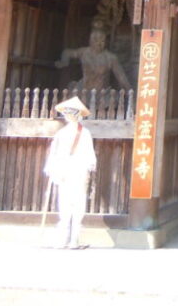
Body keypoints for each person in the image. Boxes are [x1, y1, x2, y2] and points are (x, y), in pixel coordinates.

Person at [44, 95, 96, 249]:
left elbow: (54, 155)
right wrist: (88, 170)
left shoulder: (61, 134)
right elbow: (90, 155)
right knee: (77, 205)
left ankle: (63, 239)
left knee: (65, 204)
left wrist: (52, 169)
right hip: (77, 171)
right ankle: (73, 239)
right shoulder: (84, 133)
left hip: (65, 171)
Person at [56, 16, 132, 91]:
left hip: (102, 92)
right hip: (83, 90)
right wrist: (64, 62)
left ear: (105, 41)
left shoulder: (110, 58)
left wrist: (129, 91)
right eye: (95, 39)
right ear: (90, 39)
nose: (98, 43)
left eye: (102, 40)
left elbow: (121, 77)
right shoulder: (84, 52)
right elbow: (67, 52)